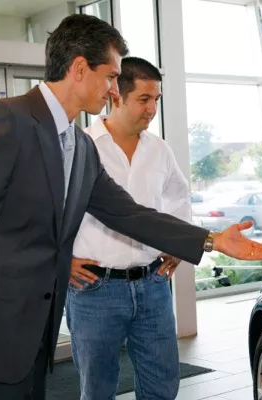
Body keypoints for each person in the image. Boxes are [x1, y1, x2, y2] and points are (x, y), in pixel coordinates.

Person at [0, 14, 262, 400]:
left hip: (34, 337)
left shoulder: (79, 147)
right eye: (110, 76)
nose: (114, 88)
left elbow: (129, 214)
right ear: (79, 68)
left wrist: (211, 240)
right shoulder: (7, 120)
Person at [66, 56, 191, 400]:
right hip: (94, 289)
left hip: (153, 285)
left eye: (156, 100)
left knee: (162, 385)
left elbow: (179, 200)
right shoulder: (80, 147)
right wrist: (62, 261)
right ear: (116, 96)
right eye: (144, 99)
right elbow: (50, 213)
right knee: (97, 388)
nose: (152, 109)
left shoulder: (160, 150)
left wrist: (179, 246)